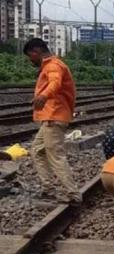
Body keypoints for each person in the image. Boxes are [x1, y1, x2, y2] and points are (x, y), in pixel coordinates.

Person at [24, 38, 82, 205]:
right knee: (37, 151)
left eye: (30, 56)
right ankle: (48, 189)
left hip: (54, 117)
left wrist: (43, 96)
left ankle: (73, 194)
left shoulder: (53, 65)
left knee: (56, 156)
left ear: (36, 52)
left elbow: (55, 83)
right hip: (51, 117)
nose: (30, 60)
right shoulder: (52, 65)